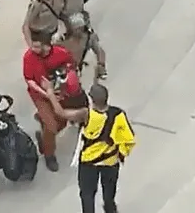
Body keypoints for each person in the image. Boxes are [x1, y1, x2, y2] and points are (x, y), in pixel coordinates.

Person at [42, 81, 135, 213]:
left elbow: (61, 112)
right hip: (111, 162)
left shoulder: (86, 114)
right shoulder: (118, 114)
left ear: (91, 100)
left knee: (87, 196)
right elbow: (127, 137)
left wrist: (50, 92)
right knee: (109, 195)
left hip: (89, 163)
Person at [22, 32, 75, 172]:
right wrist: (47, 93)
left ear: (47, 45)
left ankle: (44, 133)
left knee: (62, 122)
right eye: (33, 46)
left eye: (37, 47)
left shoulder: (61, 53)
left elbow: (71, 68)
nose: (34, 50)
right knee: (51, 126)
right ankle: (49, 155)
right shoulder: (29, 57)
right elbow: (30, 81)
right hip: (40, 95)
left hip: (59, 93)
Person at [55, 11, 106, 78]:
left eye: (80, 28)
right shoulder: (63, 38)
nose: (78, 30)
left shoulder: (89, 37)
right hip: (61, 70)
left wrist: (101, 64)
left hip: (75, 70)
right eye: (75, 28)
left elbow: (99, 51)